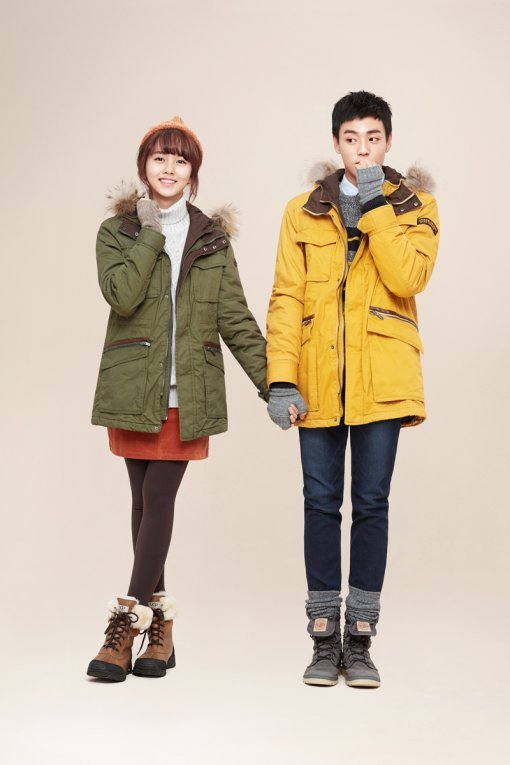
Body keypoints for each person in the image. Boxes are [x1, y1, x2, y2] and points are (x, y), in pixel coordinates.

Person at [266, 91, 440, 688]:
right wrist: (281, 377)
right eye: (350, 138)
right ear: (335, 143)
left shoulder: (416, 206)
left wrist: (375, 205)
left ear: (388, 141)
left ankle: (360, 640)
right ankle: (323, 639)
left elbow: (408, 276)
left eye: (372, 138)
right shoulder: (301, 211)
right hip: (316, 379)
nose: (362, 149)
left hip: (382, 380)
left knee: (370, 504)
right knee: (320, 503)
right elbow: (286, 296)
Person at [88, 116, 269, 682]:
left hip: (186, 391)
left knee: (158, 496)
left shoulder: (211, 238)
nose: (169, 168)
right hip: (133, 385)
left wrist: (274, 383)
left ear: (194, 173)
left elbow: (234, 318)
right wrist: (149, 232)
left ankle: (125, 625)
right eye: (160, 158)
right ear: (144, 167)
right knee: (142, 503)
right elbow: (121, 295)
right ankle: (162, 632)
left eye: (181, 160)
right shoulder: (116, 232)